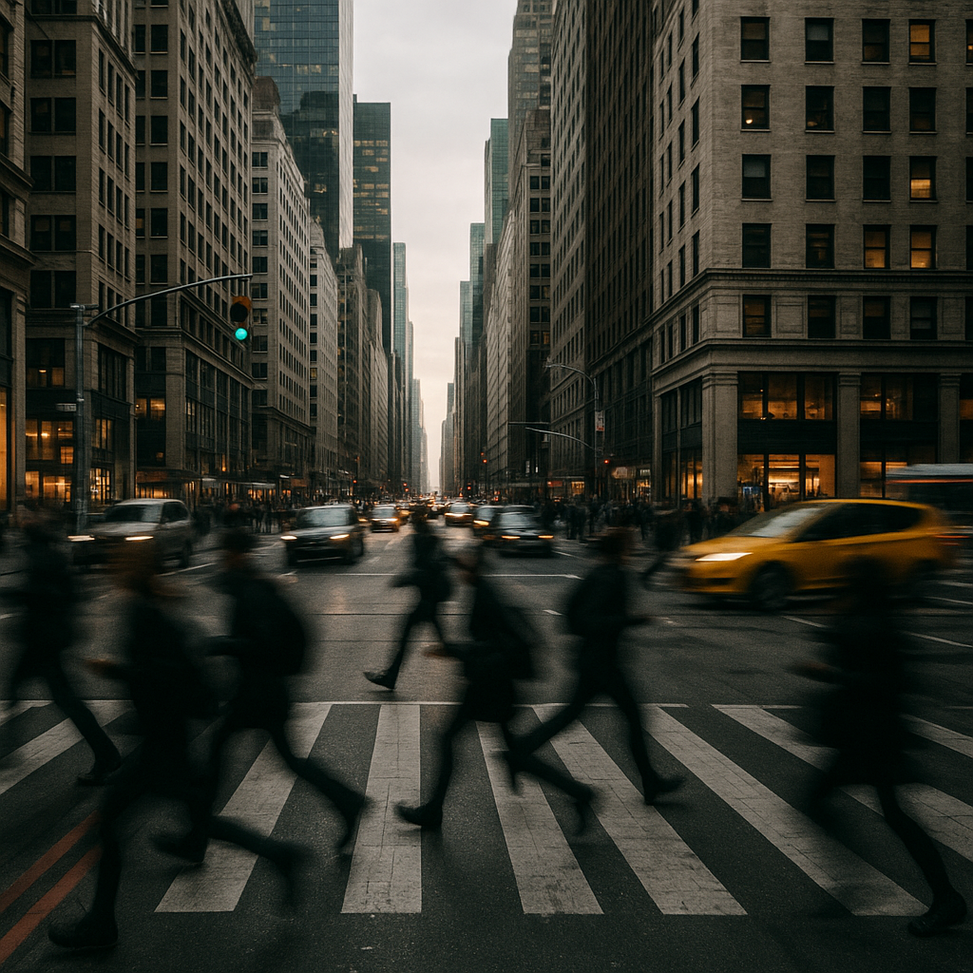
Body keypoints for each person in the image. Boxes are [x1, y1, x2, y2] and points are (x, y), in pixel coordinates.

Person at [48, 543, 305, 952]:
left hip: (161, 743)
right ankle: (278, 856)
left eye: (119, 562)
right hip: (165, 739)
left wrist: (120, 671)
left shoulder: (143, 612)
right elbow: (165, 672)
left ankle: (100, 925)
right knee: (194, 820)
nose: (113, 566)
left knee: (112, 824)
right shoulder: (149, 608)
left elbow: (159, 675)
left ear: (131, 570)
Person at [796, 567, 967, 938]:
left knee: (834, 802)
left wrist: (832, 673)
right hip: (868, 736)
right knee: (889, 814)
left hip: (872, 737)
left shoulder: (875, 627)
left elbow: (887, 680)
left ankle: (936, 895)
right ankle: (936, 895)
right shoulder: (867, 620)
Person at [396, 547, 594, 832]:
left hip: (490, 685)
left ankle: (433, 810)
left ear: (473, 567)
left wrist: (452, 649)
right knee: (513, 754)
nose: (458, 572)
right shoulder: (481, 589)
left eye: (462, 567)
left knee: (450, 738)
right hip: (491, 681)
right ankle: (578, 793)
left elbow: (498, 644)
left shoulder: (485, 594)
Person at [206, 529, 367, 853]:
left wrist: (224, 644)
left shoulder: (253, 590)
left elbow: (263, 644)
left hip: (261, 691)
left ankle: (197, 835)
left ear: (235, 554)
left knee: (219, 752)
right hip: (262, 689)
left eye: (224, 553)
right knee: (284, 758)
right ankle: (347, 801)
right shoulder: (250, 583)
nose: (220, 559)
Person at [511, 528, 683, 806]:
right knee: (631, 717)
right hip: (602, 663)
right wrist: (631, 620)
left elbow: (569, 610)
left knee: (572, 715)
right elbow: (593, 619)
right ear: (621, 549)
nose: (635, 548)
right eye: (631, 544)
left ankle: (521, 749)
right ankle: (650, 781)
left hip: (594, 660)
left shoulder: (598, 573)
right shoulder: (610, 576)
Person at [1, 511, 120, 784]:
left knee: (63, 699)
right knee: (27, 690)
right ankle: (9, 745)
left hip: (42, 643)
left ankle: (106, 754)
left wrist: (16, 596)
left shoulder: (39, 560)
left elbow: (38, 595)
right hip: (47, 640)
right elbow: (70, 595)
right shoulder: (53, 557)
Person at [364, 509, 451, 690]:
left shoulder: (421, 540)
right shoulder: (432, 539)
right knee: (439, 643)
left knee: (406, 637)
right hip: (429, 601)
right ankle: (390, 676)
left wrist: (404, 580)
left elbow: (424, 570)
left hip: (427, 602)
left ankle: (390, 676)